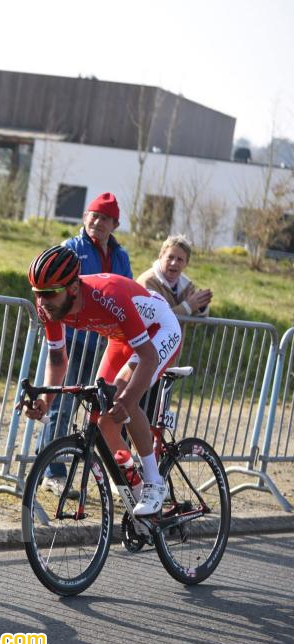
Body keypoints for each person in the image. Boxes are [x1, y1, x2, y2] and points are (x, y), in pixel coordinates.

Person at [24, 245, 183, 516]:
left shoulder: (107, 297)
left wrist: (128, 399)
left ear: (73, 288)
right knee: (102, 415)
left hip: (159, 329)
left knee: (122, 397)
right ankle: (134, 486)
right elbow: (57, 359)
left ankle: (155, 483)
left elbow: (148, 357)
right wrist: (45, 401)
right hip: (122, 338)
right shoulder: (48, 307)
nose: (42, 300)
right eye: (37, 293)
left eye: (49, 293)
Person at [41, 192, 132, 495]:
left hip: (104, 342)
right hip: (72, 338)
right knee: (62, 405)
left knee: (101, 409)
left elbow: (127, 292)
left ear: (114, 224)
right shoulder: (71, 248)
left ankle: (115, 473)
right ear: (84, 218)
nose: (98, 221)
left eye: (105, 218)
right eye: (93, 215)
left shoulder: (121, 256)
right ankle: (53, 472)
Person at [136, 234, 212, 318]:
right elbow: (154, 318)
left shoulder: (187, 286)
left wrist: (201, 305)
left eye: (180, 259)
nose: (174, 263)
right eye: (170, 257)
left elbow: (195, 323)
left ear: (186, 264)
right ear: (160, 257)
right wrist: (187, 307)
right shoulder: (148, 281)